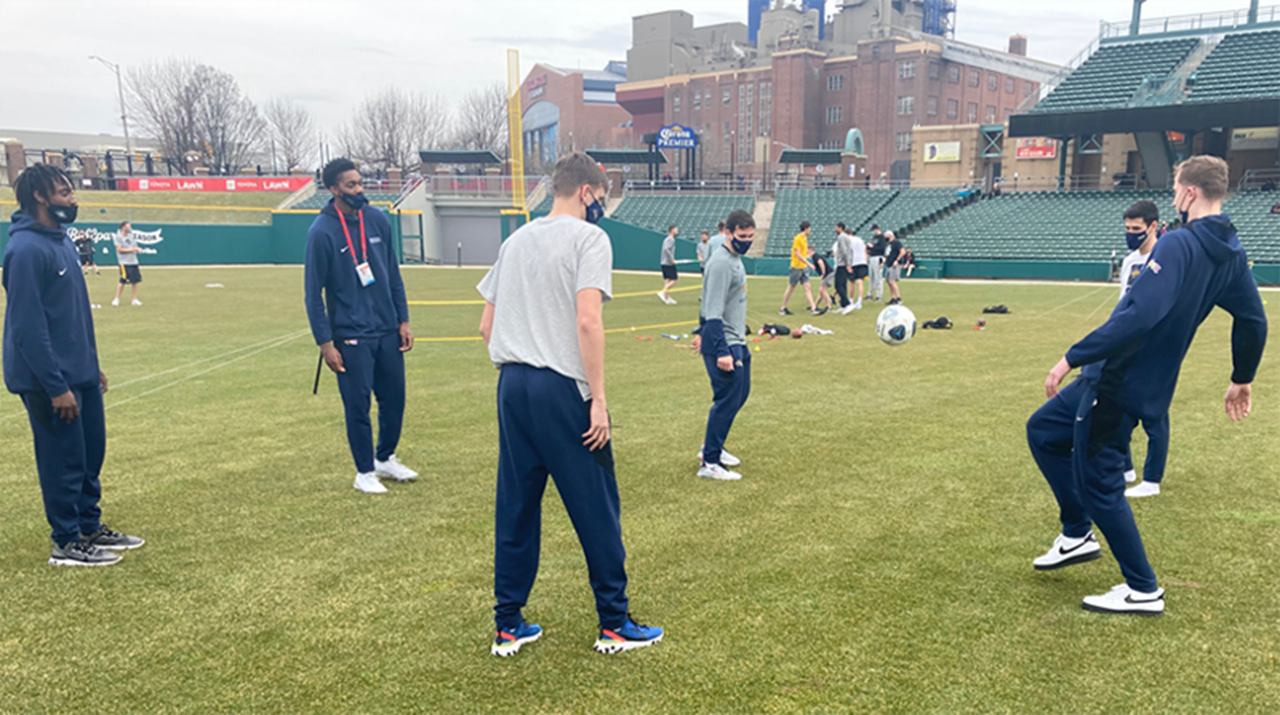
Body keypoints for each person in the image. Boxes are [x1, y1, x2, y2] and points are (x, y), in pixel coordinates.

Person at [1026, 155, 1268, 615]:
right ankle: (1076, 533)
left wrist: (1070, 357)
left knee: (1100, 480)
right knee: (1043, 431)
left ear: (1189, 193)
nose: (1174, 197)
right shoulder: (1232, 253)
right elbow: (1254, 321)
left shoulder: (1179, 244)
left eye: (1176, 189)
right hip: (1132, 380)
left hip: (1119, 381)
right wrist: (1242, 378)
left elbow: (1141, 315)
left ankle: (1143, 589)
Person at [478, 152, 663, 656]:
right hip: (561, 389)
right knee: (595, 505)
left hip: (512, 386)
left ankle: (508, 623)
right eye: (600, 196)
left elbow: (486, 326)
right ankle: (615, 623)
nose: (601, 205)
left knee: (516, 507)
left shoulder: (515, 240)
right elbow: (587, 321)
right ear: (586, 191)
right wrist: (597, 399)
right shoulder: (590, 238)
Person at [3, 164, 144, 567]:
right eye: (64, 192)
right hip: (48, 380)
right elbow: (27, 329)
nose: (73, 198)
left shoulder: (61, 241)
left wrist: (89, 367)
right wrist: (55, 385)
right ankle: (65, 542)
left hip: (77, 372)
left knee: (88, 453)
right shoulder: (26, 250)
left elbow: (72, 316)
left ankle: (88, 525)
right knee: (62, 458)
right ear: (40, 198)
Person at [304, 158, 418, 495]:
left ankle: (385, 457)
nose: (359, 190)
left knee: (394, 399)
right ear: (333, 189)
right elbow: (313, 294)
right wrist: (325, 343)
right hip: (351, 334)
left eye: (360, 183)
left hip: (386, 329)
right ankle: (364, 471)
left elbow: (393, 273)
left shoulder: (377, 219)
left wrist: (403, 319)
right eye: (351, 185)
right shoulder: (321, 232)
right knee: (358, 405)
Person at [692, 209, 756, 481]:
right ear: (728, 233)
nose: (747, 240)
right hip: (725, 342)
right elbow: (713, 311)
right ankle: (710, 461)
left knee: (740, 394)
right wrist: (721, 350)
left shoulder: (735, 260)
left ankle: (712, 446)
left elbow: (709, 301)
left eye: (751, 236)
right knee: (727, 398)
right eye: (742, 236)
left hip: (736, 339)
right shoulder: (720, 263)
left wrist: (698, 329)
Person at [1116, 200, 1170, 499]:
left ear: (1152, 226)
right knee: (1117, 403)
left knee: (1154, 414)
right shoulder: (1128, 262)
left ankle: (1152, 480)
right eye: (1127, 229)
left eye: (1136, 229)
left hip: (1157, 346)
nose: (1130, 234)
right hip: (1127, 345)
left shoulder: (1168, 258)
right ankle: (1125, 467)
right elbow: (1123, 303)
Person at [779, 221, 817, 316]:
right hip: (796, 266)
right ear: (806, 228)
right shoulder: (798, 239)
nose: (810, 230)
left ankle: (813, 308)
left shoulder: (804, 238)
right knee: (791, 287)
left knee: (808, 287)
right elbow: (797, 254)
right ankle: (783, 308)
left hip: (803, 267)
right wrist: (809, 263)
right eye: (809, 228)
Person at [111, 221, 143, 306]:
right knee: (123, 280)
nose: (129, 228)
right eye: (128, 227)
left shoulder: (131, 236)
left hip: (133, 261)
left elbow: (134, 245)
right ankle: (116, 299)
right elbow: (119, 249)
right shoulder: (118, 237)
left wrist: (137, 249)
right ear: (123, 227)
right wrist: (132, 250)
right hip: (124, 262)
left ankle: (134, 299)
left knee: (135, 281)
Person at [832, 223, 859, 314]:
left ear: (840, 228)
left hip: (841, 264)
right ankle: (843, 305)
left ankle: (847, 303)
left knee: (838, 285)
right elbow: (849, 251)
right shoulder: (847, 237)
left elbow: (844, 250)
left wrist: (847, 263)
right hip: (844, 263)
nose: (835, 230)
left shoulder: (841, 237)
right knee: (843, 284)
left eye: (836, 228)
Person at [658, 225, 679, 305]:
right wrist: (671, 259)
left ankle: (668, 298)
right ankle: (663, 292)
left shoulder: (667, 239)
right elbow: (666, 249)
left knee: (668, 280)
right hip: (668, 263)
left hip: (664, 262)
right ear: (672, 230)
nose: (677, 231)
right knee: (674, 279)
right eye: (676, 230)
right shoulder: (671, 239)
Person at [867, 226, 887, 302]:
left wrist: (873, 246)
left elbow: (882, 248)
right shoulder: (875, 237)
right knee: (872, 277)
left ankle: (879, 295)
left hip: (878, 257)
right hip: (872, 257)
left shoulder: (882, 237)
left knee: (878, 277)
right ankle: (870, 294)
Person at [883, 231, 904, 305]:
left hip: (894, 264)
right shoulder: (889, 244)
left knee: (892, 281)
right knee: (889, 281)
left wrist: (897, 260)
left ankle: (898, 298)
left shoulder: (897, 243)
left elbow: (902, 251)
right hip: (889, 264)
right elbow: (889, 254)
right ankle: (893, 298)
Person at [811, 246, 834, 314]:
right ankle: (815, 306)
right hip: (829, 273)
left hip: (828, 274)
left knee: (822, 290)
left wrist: (823, 273)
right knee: (821, 291)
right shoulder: (815, 256)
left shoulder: (815, 256)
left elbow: (821, 263)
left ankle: (828, 306)